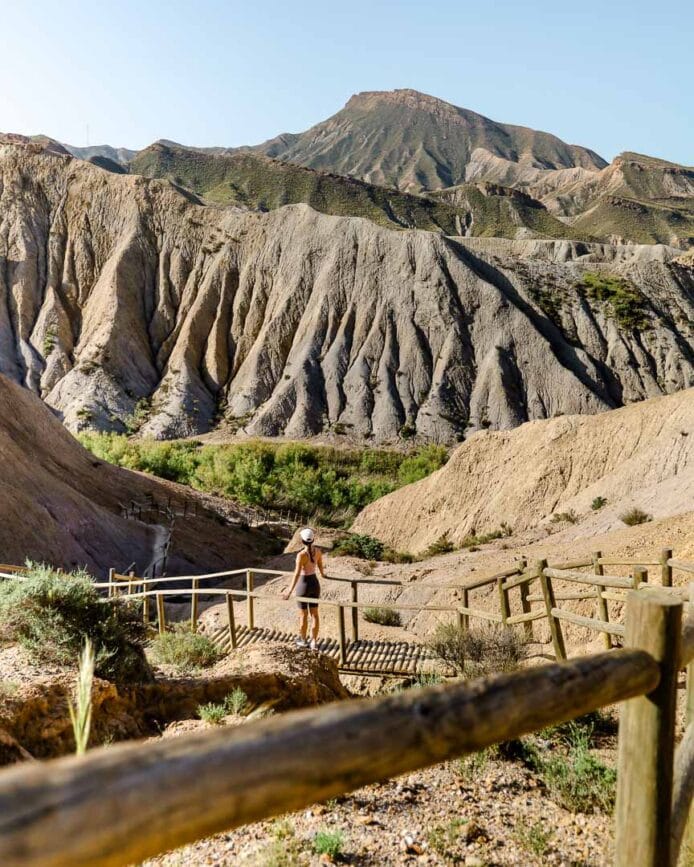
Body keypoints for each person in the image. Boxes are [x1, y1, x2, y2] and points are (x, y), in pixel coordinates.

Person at [283, 527, 325, 649]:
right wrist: (323, 575)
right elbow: (321, 566)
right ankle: (314, 642)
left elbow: (296, 574)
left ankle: (303, 640)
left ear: (302, 541)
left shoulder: (301, 555)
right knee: (315, 615)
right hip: (314, 583)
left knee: (303, 615)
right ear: (313, 540)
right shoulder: (318, 551)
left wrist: (289, 590)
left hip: (303, 584)